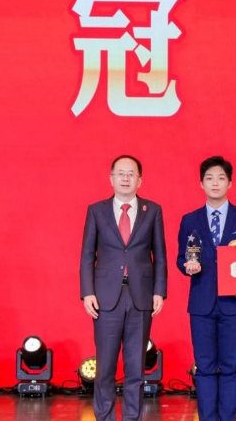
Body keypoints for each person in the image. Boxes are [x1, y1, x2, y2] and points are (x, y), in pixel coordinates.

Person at [80, 155, 167, 421]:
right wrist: (87, 292)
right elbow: (87, 255)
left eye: (131, 174)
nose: (126, 178)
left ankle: (132, 417)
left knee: (136, 368)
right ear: (111, 178)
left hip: (140, 296)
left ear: (140, 180)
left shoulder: (152, 211)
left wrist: (159, 291)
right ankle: (104, 417)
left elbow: (160, 255)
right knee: (105, 367)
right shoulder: (97, 211)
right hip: (105, 298)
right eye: (121, 173)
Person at [176, 156, 236, 421]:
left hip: (235, 303)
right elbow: (181, 258)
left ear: (230, 183)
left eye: (221, 178)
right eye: (209, 178)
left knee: (230, 367)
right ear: (201, 183)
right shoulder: (189, 219)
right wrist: (187, 266)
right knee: (204, 367)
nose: (215, 183)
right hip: (201, 304)